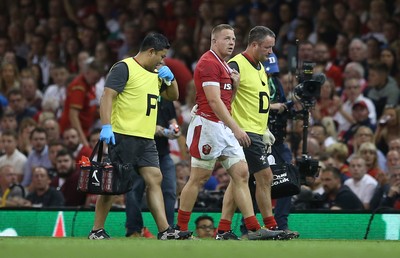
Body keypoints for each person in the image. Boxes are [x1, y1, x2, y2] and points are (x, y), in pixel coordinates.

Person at [177, 24, 283, 241]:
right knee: (199, 178)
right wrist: (236, 128)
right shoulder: (208, 63)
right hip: (208, 125)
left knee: (241, 175)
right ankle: (180, 228)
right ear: (214, 41)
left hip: (224, 128)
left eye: (233, 39)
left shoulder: (224, 66)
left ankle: (253, 229)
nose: (232, 42)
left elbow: (227, 101)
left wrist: (234, 87)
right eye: (226, 39)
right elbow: (214, 102)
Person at [89, 32, 191, 240]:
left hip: (146, 138)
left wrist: (170, 80)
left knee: (155, 179)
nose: (163, 60)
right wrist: (106, 126)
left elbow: (173, 96)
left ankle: (164, 230)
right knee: (113, 186)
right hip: (123, 136)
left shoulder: (156, 73)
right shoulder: (124, 68)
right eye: (161, 56)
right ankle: (96, 230)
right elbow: (107, 96)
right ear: (151, 51)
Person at [221, 26, 286, 240]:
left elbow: (258, 102)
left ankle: (223, 229)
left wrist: (265, 127)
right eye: (267, 47)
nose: (271, 52)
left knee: (237, 180)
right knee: (265, 176)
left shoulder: (260, 67)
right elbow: (224, 101)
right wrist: (235, 128)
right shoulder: (236, 65)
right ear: (255, 44)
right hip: (244, 132)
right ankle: (270, 226)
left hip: (257, 130)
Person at [125, 97, 180, 238]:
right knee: (134, 190)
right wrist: (151, 128)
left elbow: (172, 120)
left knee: (169, 191)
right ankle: (134, 230)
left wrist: (175, 130)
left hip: (162, 152)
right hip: (139, 151)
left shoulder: (167, 98)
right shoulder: (139, 93)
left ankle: (168, 229)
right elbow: (129, 118)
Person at [262, 52, 299, 238]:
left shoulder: (275, 82)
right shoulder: (251, 78)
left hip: (277, 137)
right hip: (257, 136)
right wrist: (273, 106)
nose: (269, 75)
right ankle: (250, 227)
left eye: (272, 72)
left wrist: (290, 107)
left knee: (288, 177)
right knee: (255, 180)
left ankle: (281, 225)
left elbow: (284, 106)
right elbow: (247, 103)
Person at [58, 59, 105, 146]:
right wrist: (83, 141)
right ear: (87, 72)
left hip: (87, 129)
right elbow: (73, 116)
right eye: (95, 78)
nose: (96, 81)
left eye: (98, 79)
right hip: (74, 134)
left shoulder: (90, 85)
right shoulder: (79, 88)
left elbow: (90, 107)